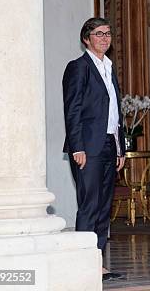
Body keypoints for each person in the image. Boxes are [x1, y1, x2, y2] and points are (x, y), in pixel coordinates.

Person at [62, 17, 126, 281]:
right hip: (87, 147)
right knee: (89, 205)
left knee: (103, 207)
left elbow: (114, 113)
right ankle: (82, 264)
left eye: (108, 33)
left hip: (110, 144)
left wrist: (121, 147)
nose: (104, 37)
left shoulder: (109, 68)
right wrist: (77, 146)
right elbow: (72, 109)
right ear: (86, 39)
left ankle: (97, 263)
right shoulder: (78, 68)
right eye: (98, 33)